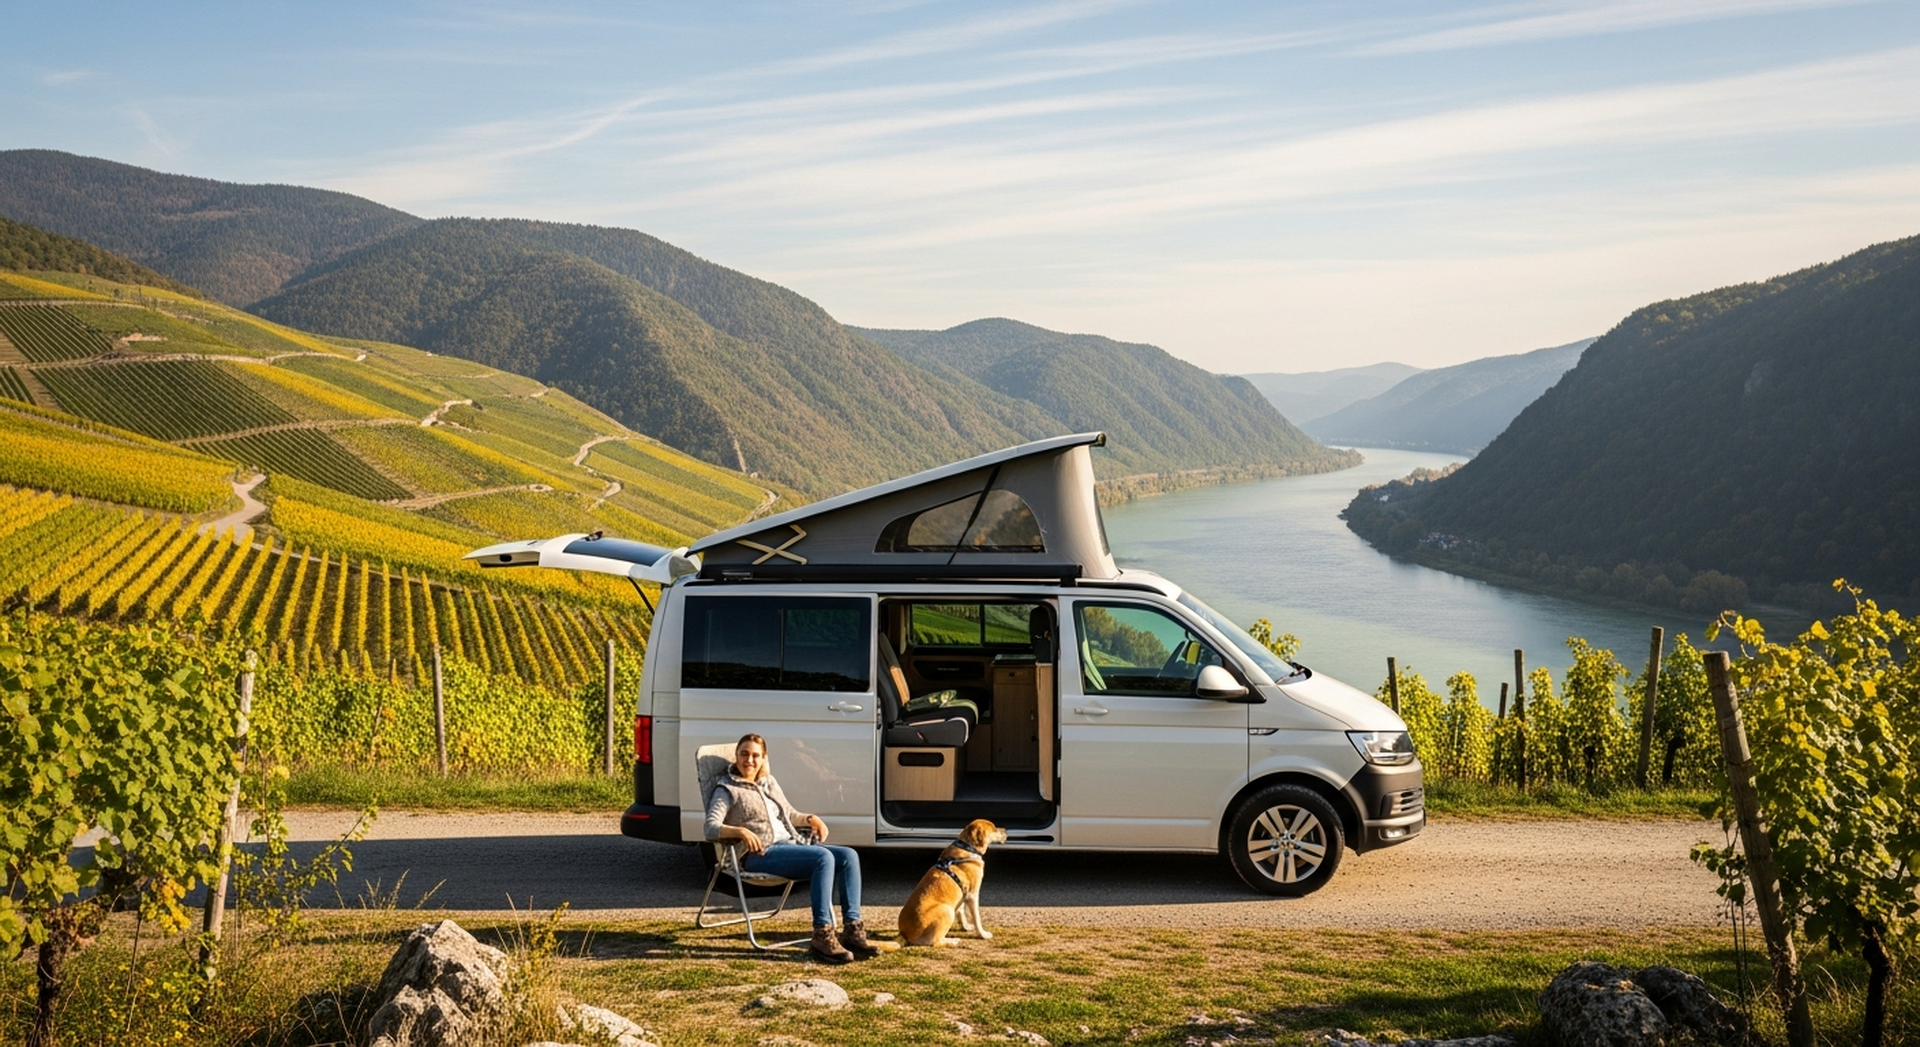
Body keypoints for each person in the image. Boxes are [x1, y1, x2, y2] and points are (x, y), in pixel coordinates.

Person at [705, 733, 880, 963]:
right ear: (736, 757)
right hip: (759, 854)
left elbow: (788, 814)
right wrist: (740, 832)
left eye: (755, 755)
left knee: (848, 855)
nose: (749, 760)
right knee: (823, 858)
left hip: (789, 845)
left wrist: (809, 818)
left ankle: (852, 931)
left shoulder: (769, 783)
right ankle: (822, 933)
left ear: (764, 758)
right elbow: (710, 827)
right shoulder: (727, 789)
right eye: (744, 754)